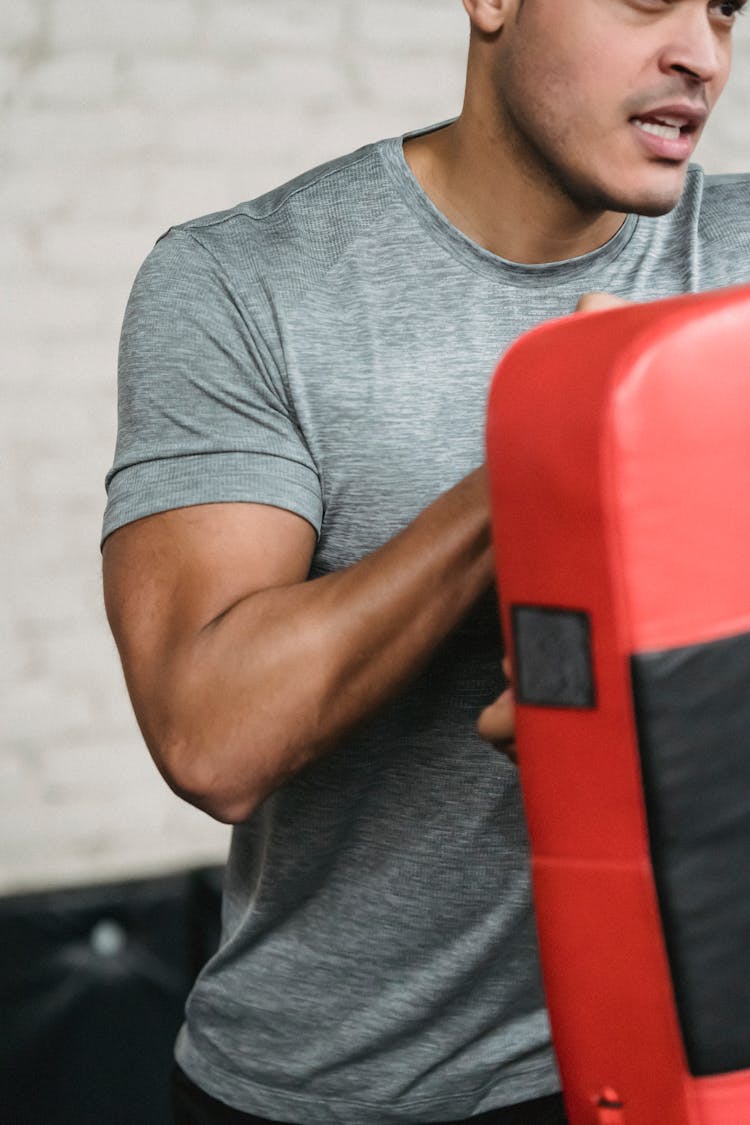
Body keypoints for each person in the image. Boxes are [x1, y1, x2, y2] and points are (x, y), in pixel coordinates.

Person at [101, 1, 750, 1122]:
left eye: (729, 9)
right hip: (358, 1086)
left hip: (683, 1059)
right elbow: (212, 736)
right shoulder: (245, 280)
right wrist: (549, 443)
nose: (701, 53)